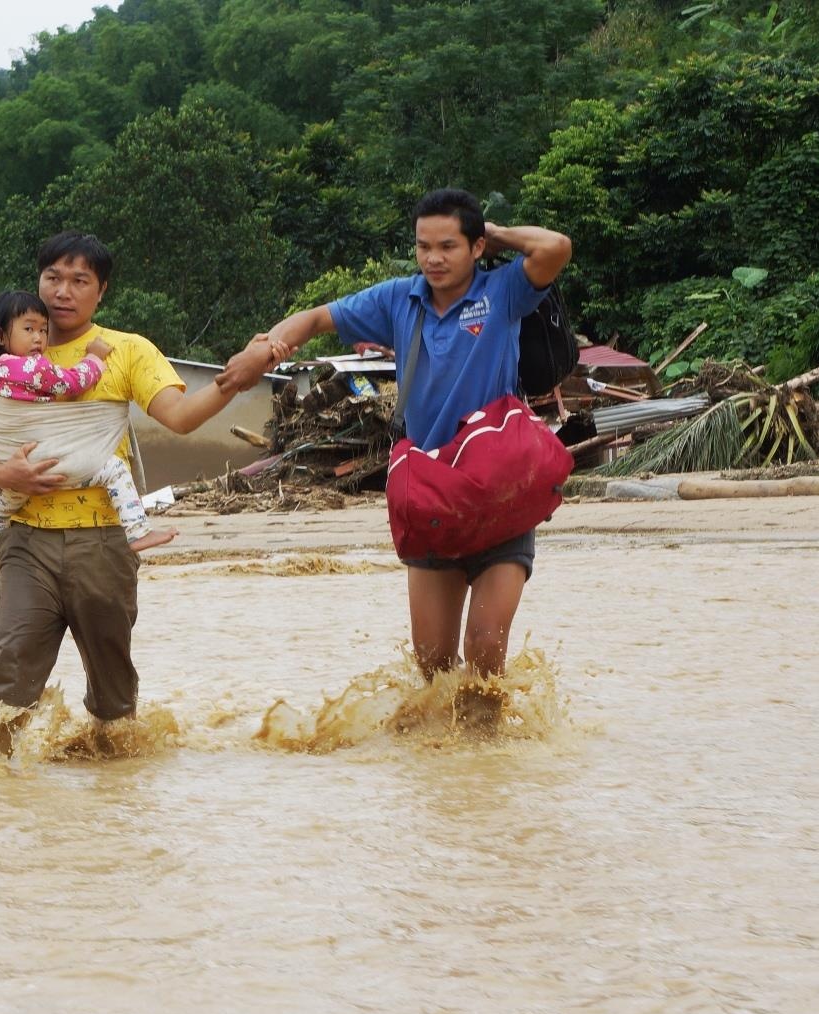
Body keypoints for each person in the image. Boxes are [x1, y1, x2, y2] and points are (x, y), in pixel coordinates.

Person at [219, 188, 573, 683]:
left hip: (500, 485)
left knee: (486, 650)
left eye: (448, 246)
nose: (433, 258)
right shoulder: (397, 299)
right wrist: (267, 347)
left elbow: (555, 246)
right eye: (423, 246)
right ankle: (434, 759)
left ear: (475, 249)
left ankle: (489, 756)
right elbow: (318, 317)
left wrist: (493, 233)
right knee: (432, 665)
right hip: (429, 489)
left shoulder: (503, 291)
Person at [0, 232, 288, 744]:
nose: (63, 291)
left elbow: (177, 417)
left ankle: (116, 797)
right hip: (27, 540)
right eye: (53, 278)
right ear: (38, 281)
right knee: (6, 684)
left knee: (114, 695)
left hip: (105, 541)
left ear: (100, 291)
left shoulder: (126, 351)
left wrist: (231, 381)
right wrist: (3, 475)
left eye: (79, 280)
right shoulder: (7, 361)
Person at [0, 289, 176, 600]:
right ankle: (138, 532)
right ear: (1, 335)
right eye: (29, 329)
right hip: (55, 463)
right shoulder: (34, 367)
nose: (39, 338)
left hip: (14, 470)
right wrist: (95, 357)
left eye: (43, 329)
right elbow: (71, 383)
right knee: (113, 470)